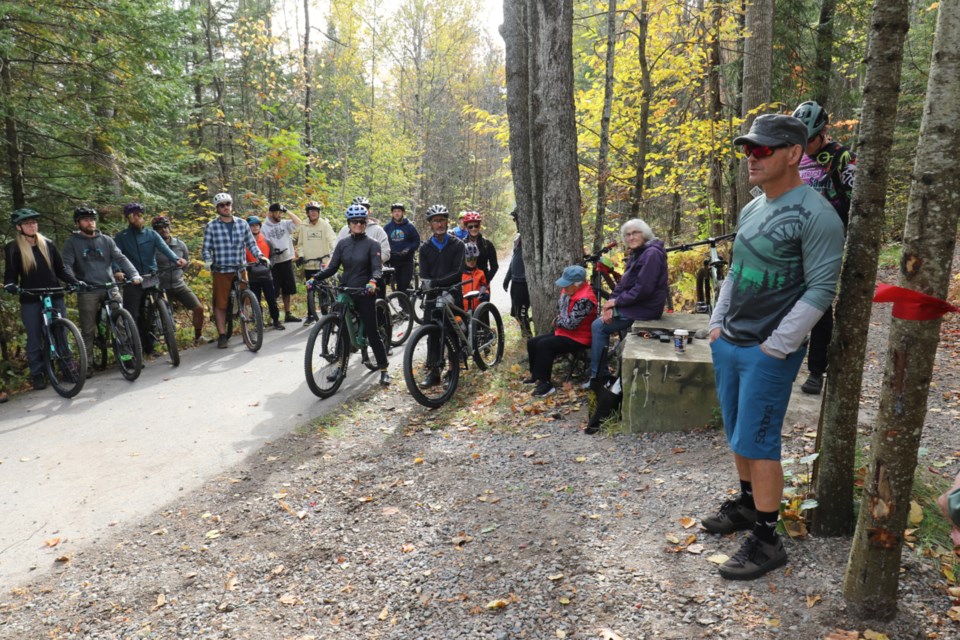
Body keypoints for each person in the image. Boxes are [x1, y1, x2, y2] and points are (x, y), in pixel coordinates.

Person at [703, 114, 844, 581]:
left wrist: (777, 346)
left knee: (759, 443)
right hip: (731, 342)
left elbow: (822, 289)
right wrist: (717, 325)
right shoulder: (752, 207)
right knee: (738, 432)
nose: (751, 158)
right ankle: (747, 504)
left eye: (762, 150)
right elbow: (738, 270)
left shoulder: (817, 214)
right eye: (747, 150)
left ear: (793, 153)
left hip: (769, 350)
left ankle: (767, 539)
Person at [792, 100, 857, 396]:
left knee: (818, 303)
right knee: (788, 295)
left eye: (810, 140)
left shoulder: (842, 158)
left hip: (827, 242)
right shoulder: (794, 157)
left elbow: (858, 203)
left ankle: (817, 370)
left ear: (824, 132)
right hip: (795, 238)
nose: (805, 146)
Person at [312, 204, 391, 386]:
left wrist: (372, 282)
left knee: (372, 331)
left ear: (365, 223)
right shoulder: (343, 244)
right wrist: (315, 278)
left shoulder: (373, 244)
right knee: (342, 329)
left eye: (361, 221)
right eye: (354, 221)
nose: (358, 224)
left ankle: (384, 369)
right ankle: (341, 367)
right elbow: (332, 268)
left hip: (365, 290)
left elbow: (377, 269)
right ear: (349, 224)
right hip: (345, 289)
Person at [3, 209, 80, 390]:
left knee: (61, 333)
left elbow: (61, 269)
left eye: (34, 222)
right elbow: (11, 274)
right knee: (34, 338)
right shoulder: (13, 247)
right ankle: (37, 374)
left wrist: (75, 282)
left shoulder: (48, 244)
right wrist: (10, 285)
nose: (32, 225)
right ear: (19, 227)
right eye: (28, 223)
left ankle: (68, 368)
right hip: (31, 298)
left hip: (54, 294)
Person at [586, 219, 668, 387]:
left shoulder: (651, 254)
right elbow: (623, 285)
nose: (631, 237)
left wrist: (616, 302)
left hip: (645, 307)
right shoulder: (638, 253)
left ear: (644, 233)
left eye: (635, 233)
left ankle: (598, 378)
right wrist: (610, 303)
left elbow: (643, 289)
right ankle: (601, 374)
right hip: (635, 304)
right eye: (627, 235)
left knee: (598, 326)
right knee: (600, 323)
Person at [62, 207, 141, 372]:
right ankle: (88, 363)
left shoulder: (106, 240)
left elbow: (120, 257)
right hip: (87, 289)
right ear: (78, 223)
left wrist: (134, 274)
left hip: (109, 286)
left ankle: (126, 356)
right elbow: (67, 265)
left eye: (92, 219)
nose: (90, 222)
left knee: (120, 321)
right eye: (85, 219)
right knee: (88, 328)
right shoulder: (72, 243)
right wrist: (74, 281)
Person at [113, 203, 187, 357]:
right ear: (128, 218)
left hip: (151, 277)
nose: (137, 217)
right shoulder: (121, 237)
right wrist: (118, 271)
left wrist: (176, 259)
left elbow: (164, 249)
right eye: (133, 215)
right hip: (133, 280)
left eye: (139, 214)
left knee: (154, 312)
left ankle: (151, 346)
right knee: (133, 314)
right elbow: (116, 256)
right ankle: (134, 350)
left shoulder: (152, 235)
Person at [201, 193, 269, 349]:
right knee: (221, 304)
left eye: (228, 204)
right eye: (222, 205)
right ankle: (223, 335)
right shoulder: (211, 226)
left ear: (231, 205)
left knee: (245, 299)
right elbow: (206, 249)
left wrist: (260, 256)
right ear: (217, 208)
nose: (226, 207)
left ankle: (245, 330)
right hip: (222, 269)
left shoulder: (242, 224)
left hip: (240, 268)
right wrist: (208, 262)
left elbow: (251, 244)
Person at [524, 265, 597, 398]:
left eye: (567, 284)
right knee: (533, 342)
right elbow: (561, 312)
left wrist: (557, 322)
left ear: (578, 284)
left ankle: (546, 384)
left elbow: (572, 324)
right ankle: (535, 376)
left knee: (545, 345)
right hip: (565, 333)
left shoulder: (585, 299)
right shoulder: (569, 291)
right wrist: (559, 321)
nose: (564, 287)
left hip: (580, 337)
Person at [417, 204, 465, 387]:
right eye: (436, 221)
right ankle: (434, 371)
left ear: (447, 221)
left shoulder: (457, 245)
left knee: (451, 331)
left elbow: (457, 273)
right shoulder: (425, 248)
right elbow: (424, 273)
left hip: (452, 291)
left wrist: (435, 283)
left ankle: (453, 369)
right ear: (430, 224)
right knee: (432, 332)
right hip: (432, 295)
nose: (440, 224)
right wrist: (429, 285)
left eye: (442, 220)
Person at [151, 216, 208, 346]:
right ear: (155, 231)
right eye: (160, 228)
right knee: (166, 316)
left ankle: (198, 336)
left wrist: (180, 274)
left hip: (179, 284)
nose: (164, 230)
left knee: (198, 308)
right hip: (162, 287)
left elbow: (186, 262)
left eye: (166, 227)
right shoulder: (153, 248)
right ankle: (170, 344)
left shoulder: (180, 244)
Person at [337, 196, 391, 297]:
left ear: (368, 211)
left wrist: (369, 262)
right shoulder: (344, 230)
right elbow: (335, 251)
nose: (360, 210)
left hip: (373, 274)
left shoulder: (377, 230)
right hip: (351, 276)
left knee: (376, 307)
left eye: (364, 208)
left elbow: (386, 253)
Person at [296, 201, 336, 325]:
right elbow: (300, 244)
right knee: (310, 290)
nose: (313, 213)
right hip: (309, 263)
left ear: (319, 212)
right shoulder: (303, 226)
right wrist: (301, 256)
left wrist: (334, 254)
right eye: (311, 211)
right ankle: (310, 315)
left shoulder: (325, 225)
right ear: (308, 213)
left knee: (323, 289)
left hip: (323, 262)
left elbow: (333, 240)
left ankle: (326, 314)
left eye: (315, 211)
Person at [261, 203, 301, 322]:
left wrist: (287, 210)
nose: (279, 215)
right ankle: (275, 317)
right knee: (274, 291)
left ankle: (288, 314)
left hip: (286, 260)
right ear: (271, 213)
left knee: (287, 289)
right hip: (273, 263)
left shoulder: (284, 224)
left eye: (280, 212)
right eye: (277, 212)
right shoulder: (264, 227)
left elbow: (299, 222)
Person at [246, 216, 284, 331]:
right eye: (252, 226)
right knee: (255, 302)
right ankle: (259, 323)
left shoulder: (266, 241)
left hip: (267, 275)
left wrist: (270, 265)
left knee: (271, 300)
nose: (255, 227)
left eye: (257, 225)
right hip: (252, 277)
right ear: (248, 228)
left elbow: (273, 255)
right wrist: (248, 267)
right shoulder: (245, 243)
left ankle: (276, 321)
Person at [503, 210, 531, 338]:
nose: (516, 222)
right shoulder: (518, 239)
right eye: (515, 220)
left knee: (522, 312)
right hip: (515, 281)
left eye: (517, 219)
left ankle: (527, 335)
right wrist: (507, 278)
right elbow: (513, 261)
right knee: (515, 312)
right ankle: (524, 332)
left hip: (524, 282)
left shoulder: (530, 238)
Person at [383, 202, 420, 292]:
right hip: (392, 260)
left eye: (399, 211)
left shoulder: (410, 226)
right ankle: (400, 300)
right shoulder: (387, 227)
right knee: (392, 284)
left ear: (403, 213)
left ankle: (406, 304)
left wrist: (408, 249)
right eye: (395, 211)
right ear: (392, 213)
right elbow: (382, 241)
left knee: (403, 285)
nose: (397, 213)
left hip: (406, 261)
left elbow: (416, 241)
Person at [462, 211, 498, 282]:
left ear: (479, 226)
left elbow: (494, 266)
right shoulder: (461, 244)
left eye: (476, 226)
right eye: (470, 226)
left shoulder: (487, 244)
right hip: (466, 282)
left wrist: (486, 281)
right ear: (466, 228)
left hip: (482, 281)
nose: (473, 228)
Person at [460, 243, 488, 312]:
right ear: (464, 259)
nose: (472, 261)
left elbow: (484, 286)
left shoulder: (480, 273)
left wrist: (486, 294)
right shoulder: (460, 275)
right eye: (469, 259)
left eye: (474, 258)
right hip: (464, 309)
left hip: (478, 308)